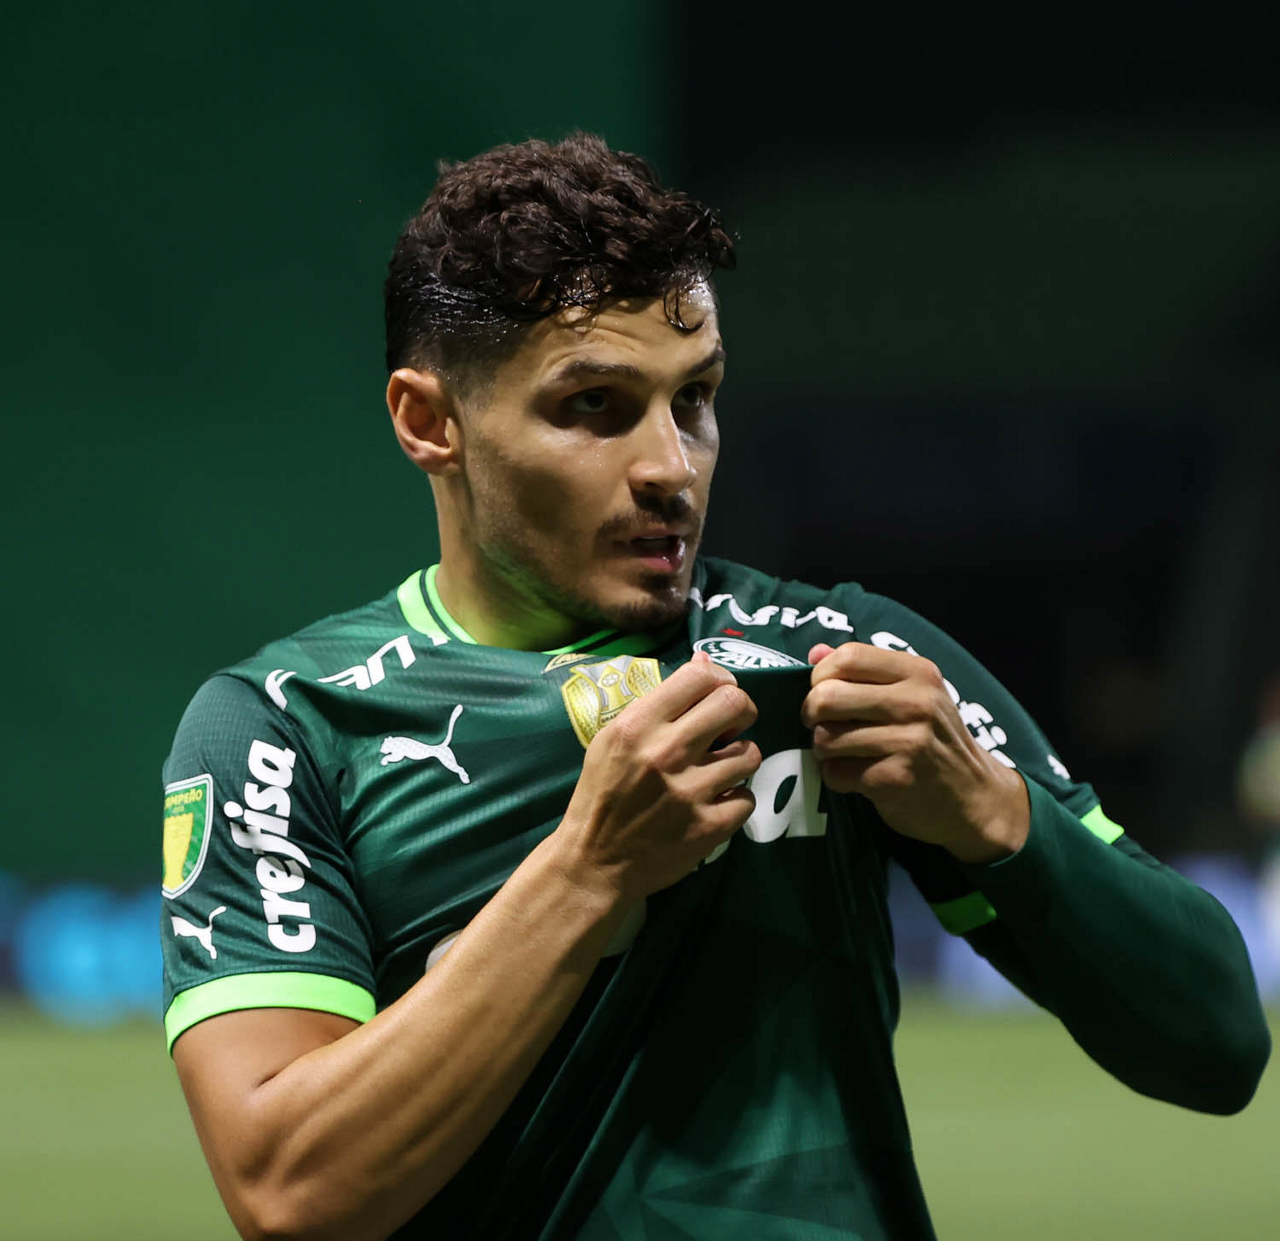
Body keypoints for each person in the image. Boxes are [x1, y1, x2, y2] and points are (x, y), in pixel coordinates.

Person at [160, 133, 1270, 1241]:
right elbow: (291, 1192)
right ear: (429, 422)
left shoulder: (839, 657)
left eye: (693, 398)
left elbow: (1218, 1043)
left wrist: (994, 813)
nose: (670, 466)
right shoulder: (287, 727)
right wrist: (588, 870)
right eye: (594, 406)